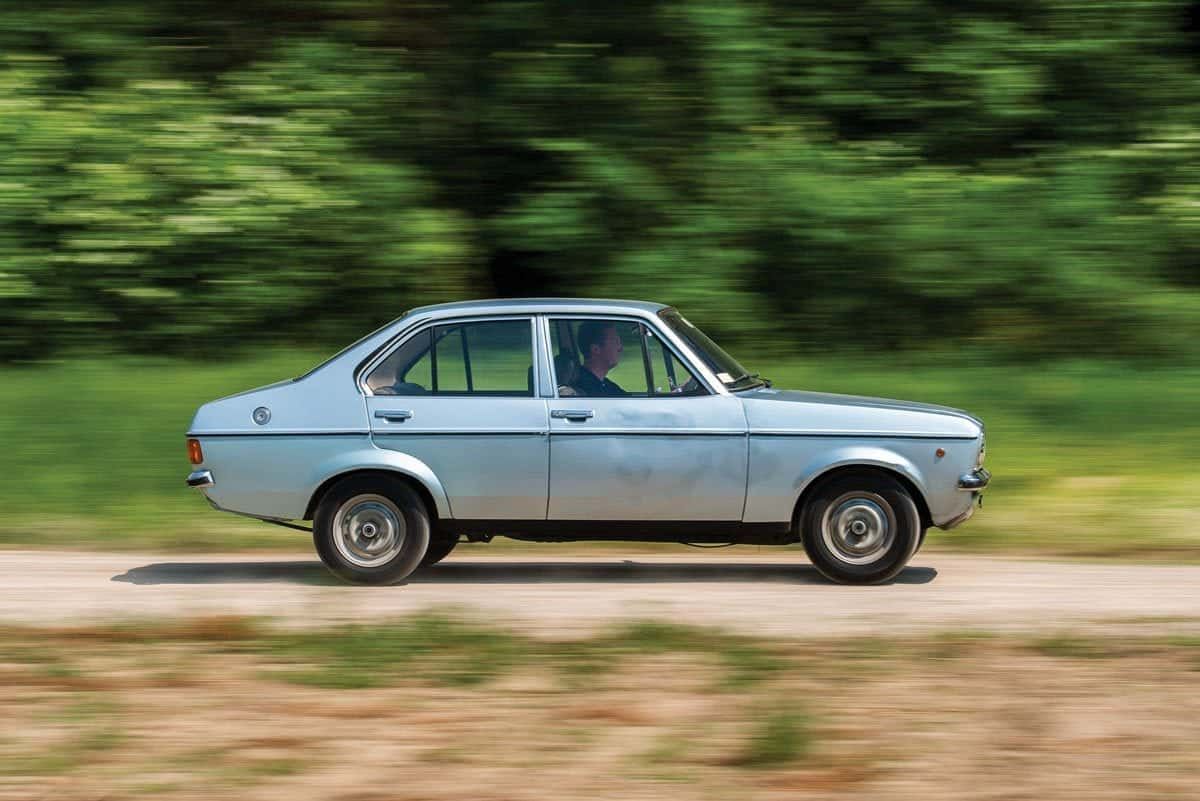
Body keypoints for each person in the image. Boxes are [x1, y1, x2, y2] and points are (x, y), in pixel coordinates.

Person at [570, 321, 629, 397]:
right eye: (616, 342)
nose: (620, 348)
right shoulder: (584, 389)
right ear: (595, 349)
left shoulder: (604, 384)